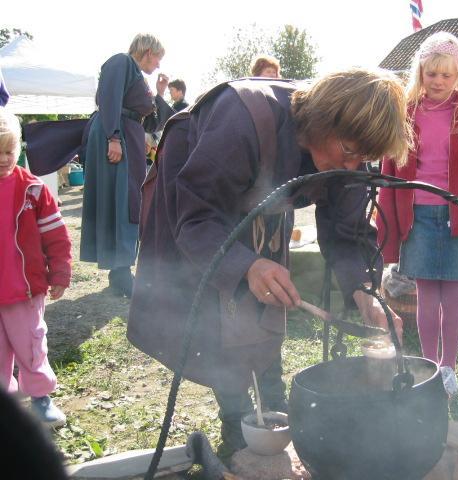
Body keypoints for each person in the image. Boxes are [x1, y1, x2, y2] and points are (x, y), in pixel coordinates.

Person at [127, 68, 408, 456]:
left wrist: (365, 292)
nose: (353, 166)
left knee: (265, 302)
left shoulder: (348, 156)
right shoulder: (241, 118)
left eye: (365, 157)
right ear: (323, 118)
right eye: (349, 150)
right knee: (221, 311)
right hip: (198, 202)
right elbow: (197, 216)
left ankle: (271, 408)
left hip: (260, 208)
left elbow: (348, 233)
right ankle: (238, 423)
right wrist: (247, 266)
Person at [375, 32, 458, 397]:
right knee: (427, 297)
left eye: (447, 75)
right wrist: (387, 227)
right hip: (418, 219)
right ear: (420, 71)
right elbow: (388, 172)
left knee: (454, 298)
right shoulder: (405, 113)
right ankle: (429, 365)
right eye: (432, 73)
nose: (438, 82)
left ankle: (449, 367)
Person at [0, 109, 71, 428]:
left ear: (18, 149)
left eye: (8, 151)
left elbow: (56, 235)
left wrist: (59, 272)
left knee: (31, 345)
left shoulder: (33, 189)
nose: (3, 158)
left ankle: (41, 399)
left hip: (25, 290)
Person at [80, 33, 165, 298]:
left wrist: (160, 94)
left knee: (127, 200)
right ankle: (120, 271)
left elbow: (152, 122)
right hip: (115, 136)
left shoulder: (139, 78)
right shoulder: (122, 62)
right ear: (148, 51)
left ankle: (119, 270)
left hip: (128, 136)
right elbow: (108, 99)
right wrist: (113, 136)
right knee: (121, 200)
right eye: (158, 58)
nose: (159, 65)